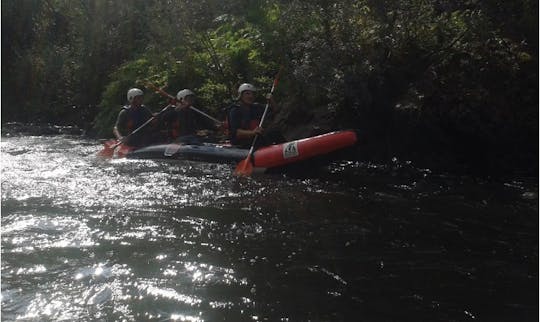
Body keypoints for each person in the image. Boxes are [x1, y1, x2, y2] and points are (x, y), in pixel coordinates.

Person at [227, 83, 284, 148]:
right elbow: (237, 133)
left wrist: (272, 100)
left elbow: (276, 110)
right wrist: (253, 132)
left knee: (275, 133)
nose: (250, 96)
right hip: (241, 142)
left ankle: (288, 151)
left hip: (255, 138)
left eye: (252, 94)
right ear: (241, 95)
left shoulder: (256, 107)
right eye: (247, 93)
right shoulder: (235, 110)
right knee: (262, 138)